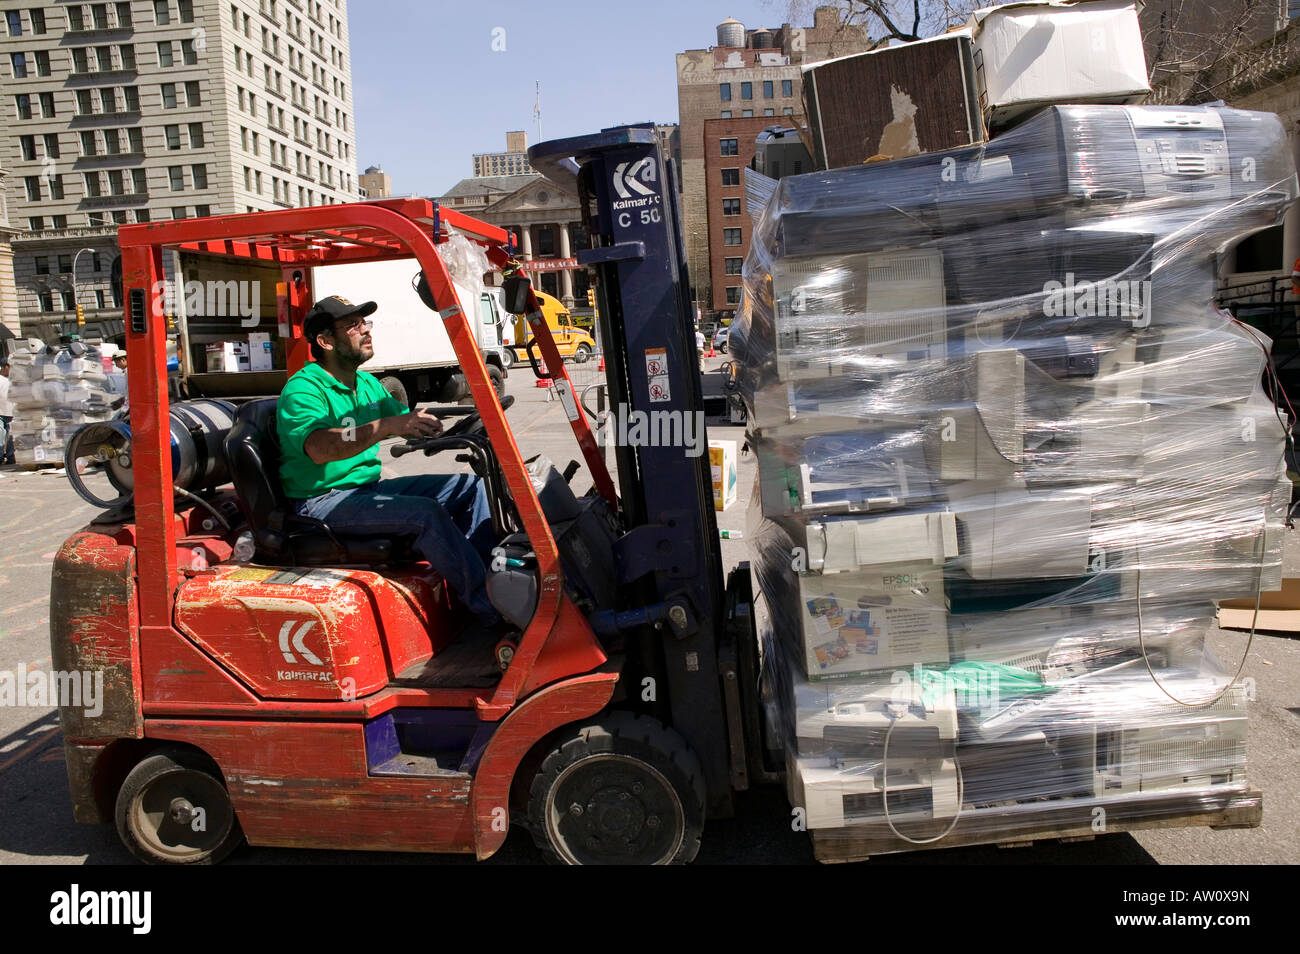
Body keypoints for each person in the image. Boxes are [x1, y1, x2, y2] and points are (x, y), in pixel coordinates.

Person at [276, 295, 503, 629]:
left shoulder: (366, 384)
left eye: (365, 323)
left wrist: (438, 427)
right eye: (352, 325)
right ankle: (492, 612)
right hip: (321, 501)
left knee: (470, 486)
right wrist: (386, 427)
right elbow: (320, 447)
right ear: (325, 341)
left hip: (364, 491)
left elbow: (406, 424)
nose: (365, 331)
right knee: (425, 514)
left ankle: (493, 585)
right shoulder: (304, 389)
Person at [0, 358, 14, 465]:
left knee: (10, 436)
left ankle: (10, 456)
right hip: (1, 411)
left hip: (10, 411)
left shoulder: (12, 379)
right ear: (6, 367)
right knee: (2, 434)